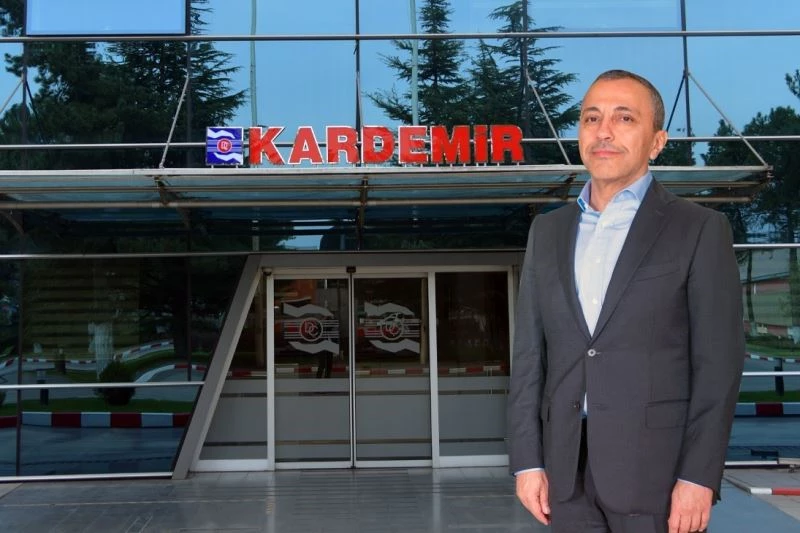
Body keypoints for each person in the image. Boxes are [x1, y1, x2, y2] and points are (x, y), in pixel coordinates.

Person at [507, 69, 745, 533]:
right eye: (591, 118)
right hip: (565, 476)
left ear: (657, 142)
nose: (604, 131)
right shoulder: (548, 231)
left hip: (657, 477)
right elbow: (530, 356)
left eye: (624, 118)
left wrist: (698, 476)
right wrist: (527, 461)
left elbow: (718, 366)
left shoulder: (698, 229)